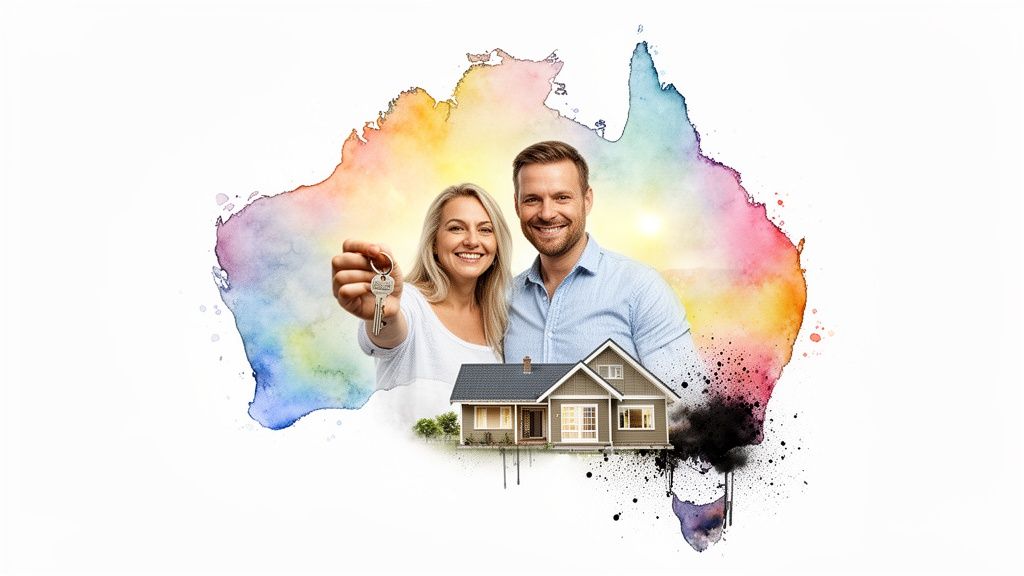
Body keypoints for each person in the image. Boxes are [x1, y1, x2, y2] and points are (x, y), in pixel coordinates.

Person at [503, 141, 708, 397]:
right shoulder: (505, 299)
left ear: (587, 200)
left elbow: (691, 401)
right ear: (516, 205)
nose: (547, 213)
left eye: (562, 197)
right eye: (532, 199)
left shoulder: (640, 288)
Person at [332, 183, 513, 391]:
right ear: (434, 242)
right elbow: (388, 332)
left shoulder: (503, 321)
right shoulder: (409, 301)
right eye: (456, 228)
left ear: (497, 245)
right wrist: (384, 315)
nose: (472, 240)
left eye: (485, 230)